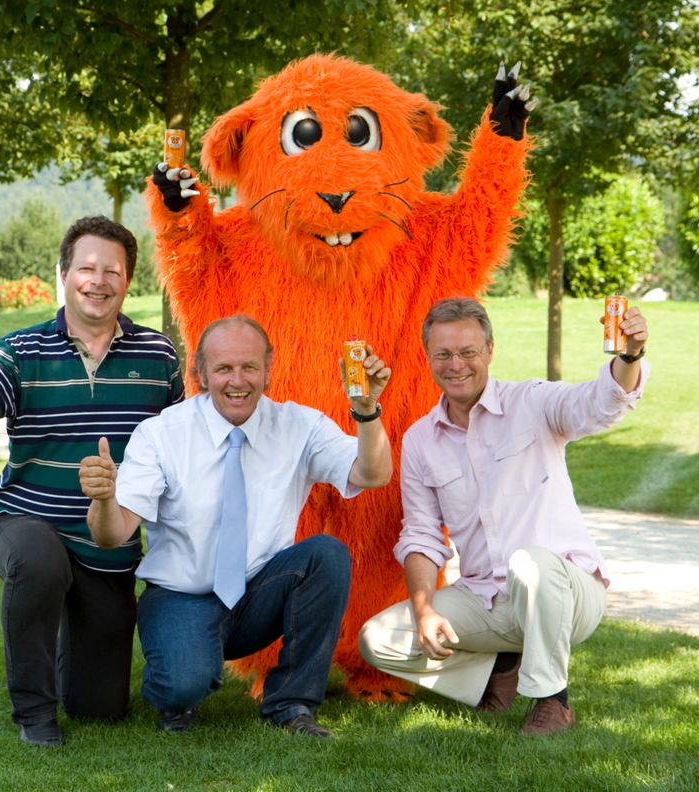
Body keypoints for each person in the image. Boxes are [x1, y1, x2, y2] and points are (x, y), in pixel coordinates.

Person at [79, 314, 393, 738]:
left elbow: (372, 474)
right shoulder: (161, 434)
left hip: (257, 594)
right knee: (183, 685)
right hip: (181, 596)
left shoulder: (299, 425)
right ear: (201, 373)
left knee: (326, 555)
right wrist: (102, 500)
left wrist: (367, 411)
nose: (237, 380)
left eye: (249, 367)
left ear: (268, 369)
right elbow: (112, 534)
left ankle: (292, 703)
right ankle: (175, 687)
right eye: (224, 368)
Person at [0, 216, 185, 747]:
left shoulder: (159, 356)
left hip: (108, 541)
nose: (99, 280)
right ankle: (34, 712)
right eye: (87, 268)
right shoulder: (20, 350)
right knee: (38, 561)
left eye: (112, 271)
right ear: (65, 274)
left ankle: (71, 636)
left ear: (128, 280)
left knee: (101, 709)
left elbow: (184, 445)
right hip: (24, 520)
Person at [359, 295, 650, 736]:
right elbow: (420, 534)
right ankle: (496, 671)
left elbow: (599, 404)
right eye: (443, 354)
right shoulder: (420, 439)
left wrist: (628, 356)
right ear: (428, 358)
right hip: (486, 600)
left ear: (490, 351)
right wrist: (423, 609)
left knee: (528, 563)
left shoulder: (533, 402)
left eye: (468, 352)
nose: (456, 364)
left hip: (567, 593)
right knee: (378, 640)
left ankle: (553, 701)